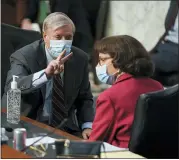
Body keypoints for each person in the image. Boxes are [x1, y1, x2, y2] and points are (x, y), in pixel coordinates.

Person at [2, 12, 94, 138]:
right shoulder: (25, 56)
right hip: (29, 125)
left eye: (68, 37)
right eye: (58, 37)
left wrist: (87, 126)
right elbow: (13, 86)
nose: (64, 42)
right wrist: (45, 74)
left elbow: (85, 98)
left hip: (64, 127)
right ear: (45, 37)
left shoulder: (79, 58)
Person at [89, 35, 163, 148]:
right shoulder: (157, 86)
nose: (98, 66)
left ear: (120, 61)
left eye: (103, 60)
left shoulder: (109, 96)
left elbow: (94, 143)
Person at [21, 0, 93, 55]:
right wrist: (26, 20)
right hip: (54, 37)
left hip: (75, 39)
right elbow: (31, 13)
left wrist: (36, 28)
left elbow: (58, 18)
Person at [150, 0, 178, 86]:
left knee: (140, 67)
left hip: (175, 50)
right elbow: (168, 31)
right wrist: (151, 51)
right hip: (166, 46)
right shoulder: (175, 3)